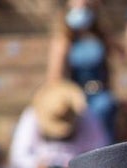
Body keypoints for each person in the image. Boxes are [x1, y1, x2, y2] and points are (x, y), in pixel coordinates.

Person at [6, 80, 108, 168]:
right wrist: (36, 166)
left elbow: (100, 153)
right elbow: (19, 155)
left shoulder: (87, 116)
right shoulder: (31, 117)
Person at [47, 0, 118, 143]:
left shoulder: (99, 37)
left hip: (101, 98)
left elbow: (112, 66)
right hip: (77, 98)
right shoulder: (64, 41)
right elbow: (55, 77)